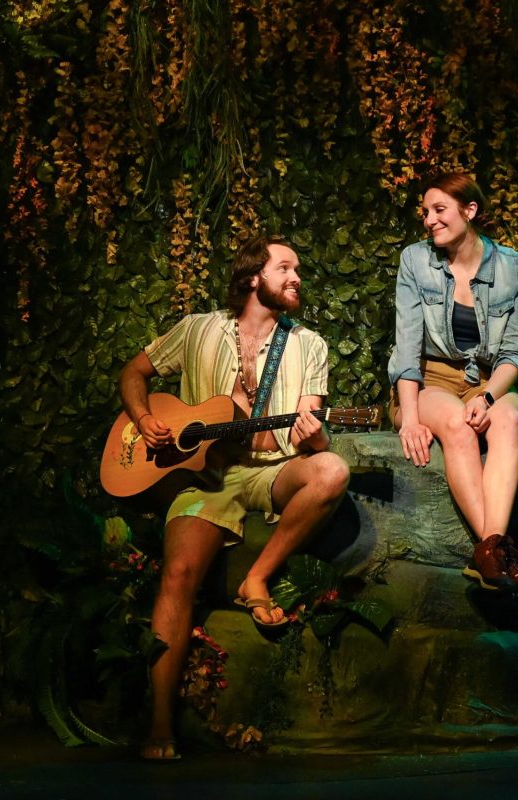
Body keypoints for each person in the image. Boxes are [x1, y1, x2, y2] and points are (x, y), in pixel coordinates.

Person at [118, 234, 350, 761]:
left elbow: (310, 436)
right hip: (205, 480)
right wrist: (146, 419)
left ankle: (257, 577)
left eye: (297, 270)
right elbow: (134, 373)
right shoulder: (198, 329)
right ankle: (159, 725)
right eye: (285, 268)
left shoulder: (308, 344)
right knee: (177, 574)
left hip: (272, 471)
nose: (297, 278)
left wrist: (315, 436)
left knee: (332, 469)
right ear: (252, 277)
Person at [387, 172, 518, 596]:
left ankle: (489, 555)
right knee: (455, 424)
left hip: (493, 380)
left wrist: (489, 396)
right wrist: (410, 418)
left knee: (507, 420)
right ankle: (501, 554)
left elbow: (516, 355)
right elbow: (407, 347)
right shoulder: (415, 261)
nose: (429, 220)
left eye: (439, 210)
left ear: (469, 211)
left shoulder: (517, 268)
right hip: (433, 378)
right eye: (425, 212)